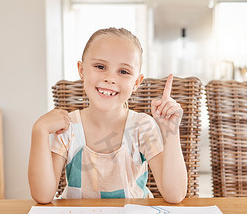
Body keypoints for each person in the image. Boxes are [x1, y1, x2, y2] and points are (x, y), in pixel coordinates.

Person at [28, 27, 187, 204]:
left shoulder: (142, 126)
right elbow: (42, 196)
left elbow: (175, 195)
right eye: (100, 67)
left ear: (136, 82)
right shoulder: (66, 127)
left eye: (124, 71)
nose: (110, 78)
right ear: (81, 70)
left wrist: (170, 131)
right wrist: (39, 131)